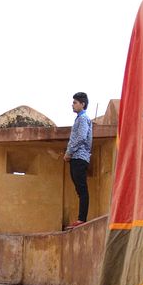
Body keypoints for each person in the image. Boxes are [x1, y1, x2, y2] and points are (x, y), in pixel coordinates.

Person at [64, 92, 92, 228]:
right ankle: (81, 218)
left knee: (82, 189)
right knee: (79, 189)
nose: (73, 105)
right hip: (77, 157)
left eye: (75, 102)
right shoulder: (79, 119)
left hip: (79, 157)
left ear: (83, 104)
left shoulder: (83, 119)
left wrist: (69, 152)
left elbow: (81, 137)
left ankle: (82, 219)